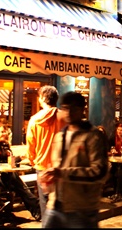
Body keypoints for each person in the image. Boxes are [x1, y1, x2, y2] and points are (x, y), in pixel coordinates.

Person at [41, 91, 109, 228]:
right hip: (55, 205)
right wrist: (49, 178)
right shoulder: (60, 136)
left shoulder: (93, 136)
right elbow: (57, 166)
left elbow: (99, 172)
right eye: (65, 108)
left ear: (82, 110)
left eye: (73, 108)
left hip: (81, 208)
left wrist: (62, 173)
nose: (69, 112)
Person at [0, 122, 41, 222]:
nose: (5, 134)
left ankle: (36, 209)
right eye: (2, 131)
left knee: (19, 184)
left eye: (6, 132)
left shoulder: (4, 145)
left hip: (6, 174)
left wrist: (20, 158)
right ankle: (37, 207)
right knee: (20, 186)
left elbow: (8, 162)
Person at [26, 85, 64, 218]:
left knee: (45, 202)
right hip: (61, 167)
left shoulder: (34, 120)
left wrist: (33, 160)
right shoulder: (63, 118)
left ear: (42, 98)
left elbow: (31, 144)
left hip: (42, 166)